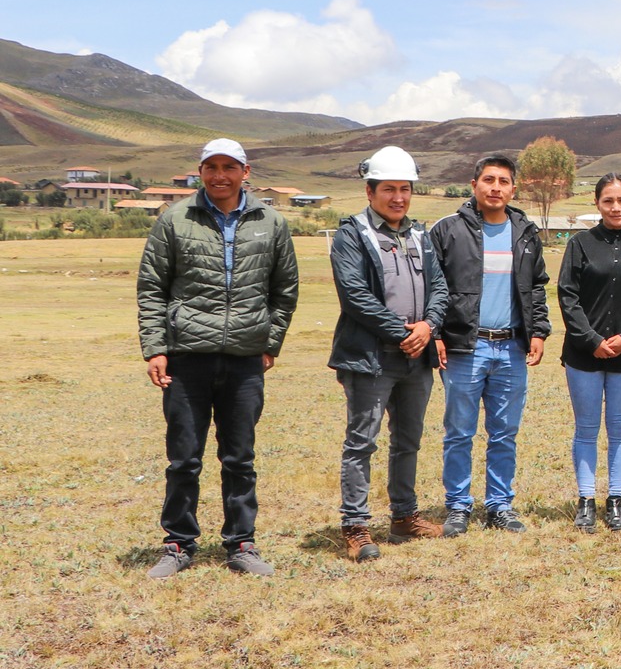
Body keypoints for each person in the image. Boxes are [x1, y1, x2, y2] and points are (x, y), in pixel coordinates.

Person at [136, 138, 300, 578]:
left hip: (246, 358)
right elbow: (152, 289)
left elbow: (285, 291)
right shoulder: (175, 219)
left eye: (230, 166)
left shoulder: (271, 222)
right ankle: (177, 544)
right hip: (187, 356)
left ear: (246, 172)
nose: (220, 175)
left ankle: (241, 543)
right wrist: (155, 348)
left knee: (240, 458)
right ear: (200, 171)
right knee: (184, 458)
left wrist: (271, 341)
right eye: (212, 166)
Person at [329, 145, 447, 563]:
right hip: (369, 357)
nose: (398, 197)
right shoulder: (351, 235)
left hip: (416, 359)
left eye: (404, 189)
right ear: (370, 190)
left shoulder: (420, 235)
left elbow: (440, 289)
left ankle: (403, 517)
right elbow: (355, 297)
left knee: (408, 441)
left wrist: (429, 327)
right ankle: (356, 526)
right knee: (362, 442)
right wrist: (405, 333)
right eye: (389, 189)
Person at [432, 153, 550, 536]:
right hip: (466, 348)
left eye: (503, 181)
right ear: (474, 185)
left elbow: (535, 287)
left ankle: (499, 505)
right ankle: (458, 507)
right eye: (488, 180)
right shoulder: (449, 230)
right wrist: (434, 334)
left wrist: (539, 330)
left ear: (513, 189)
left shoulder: (525, 232)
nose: (495, 187)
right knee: (459, 432)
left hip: (511, 348)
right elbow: (433, 287)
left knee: (504, 432)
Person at [556, 174, 621, 533]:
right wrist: (591, 339)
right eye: (608, 201)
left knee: (619, 428)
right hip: (583, 353)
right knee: (586, 429)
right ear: (597, 203)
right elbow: (567, 296)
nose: (615, 208)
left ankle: (615, 501)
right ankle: (586, 501)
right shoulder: (580, 243)